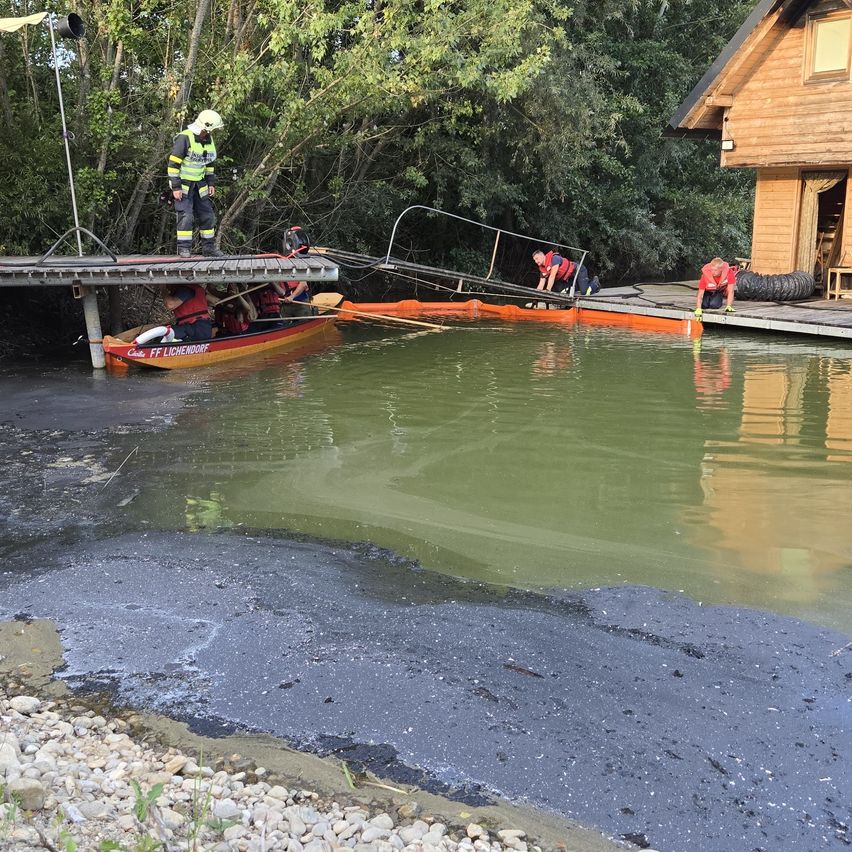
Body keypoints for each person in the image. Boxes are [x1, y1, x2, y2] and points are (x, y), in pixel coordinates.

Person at [168, 109, 226, 258]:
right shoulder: (185, 138)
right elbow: (173, 164)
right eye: (212, 129)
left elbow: (209, 164)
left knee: (208, 216)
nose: (213, 132)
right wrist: (175, 187)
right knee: (186, 216)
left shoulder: (208, 139)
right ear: (206, 127)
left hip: (200, 185)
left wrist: (211, 183)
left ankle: (209, 249)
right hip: (183, 185)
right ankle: (184, 249)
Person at [532, 249, 600, 297]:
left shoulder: (554, 259)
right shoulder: (542, 269)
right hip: (569, 277)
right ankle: (580, 284)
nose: (535, 261)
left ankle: (595, 283)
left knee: (585, 292)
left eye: (537, 258)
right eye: (534, 260)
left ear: (542, 255)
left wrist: (547, 290)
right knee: (562, 292)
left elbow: (552, 276)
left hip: (578, 270)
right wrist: (536, 296)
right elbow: (541, 284)